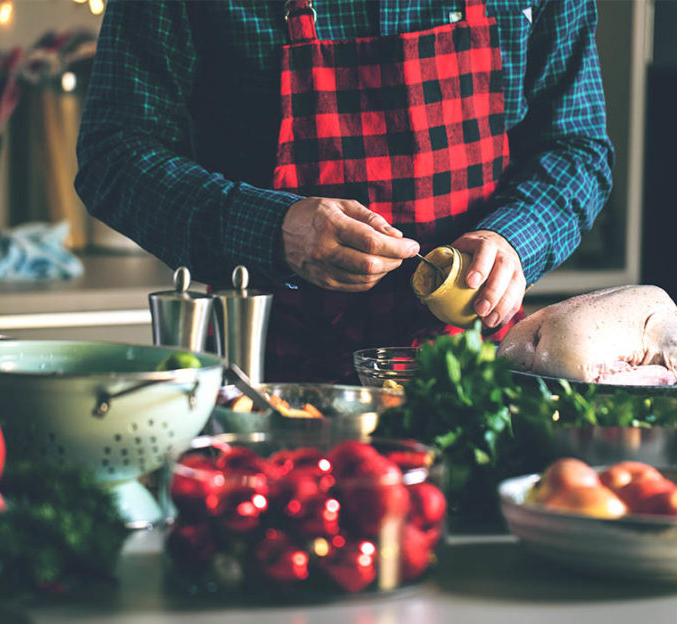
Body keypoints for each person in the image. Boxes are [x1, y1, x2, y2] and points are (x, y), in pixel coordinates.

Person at [75, 0, 613, 382]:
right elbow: (114, 154)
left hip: (476, 381)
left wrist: (514, 240)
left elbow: (576, 144)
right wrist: (270, 229)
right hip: (262, 385)